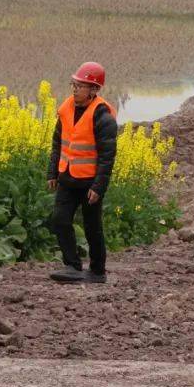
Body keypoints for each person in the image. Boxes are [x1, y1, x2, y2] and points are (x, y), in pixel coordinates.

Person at [47, 61, 118, 283]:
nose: (75, 89)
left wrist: (98, 187)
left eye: (81, 85)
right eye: (74, 84)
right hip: (68, 178)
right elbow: (57, 142)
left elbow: (107, 157)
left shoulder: (103, 117)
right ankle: (72, 266)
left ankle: (97, 271)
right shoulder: (66, 108)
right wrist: (52, 172)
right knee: (60, 219)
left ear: (94, 90)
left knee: (92, 228)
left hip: (90, 183)